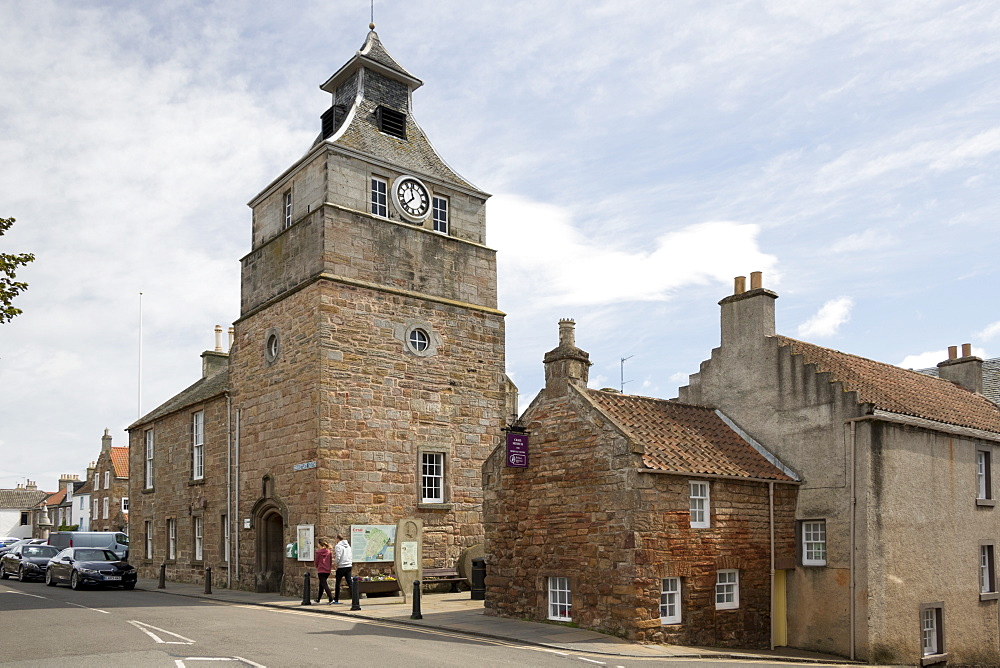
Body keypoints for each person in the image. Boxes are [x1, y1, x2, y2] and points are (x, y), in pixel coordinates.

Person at [333, 533, 353, 603]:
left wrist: (335, 563)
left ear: (337, 539)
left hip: (341, 566)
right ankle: (355, 597)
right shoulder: (348, 546)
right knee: (349, 582)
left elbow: (338, 556)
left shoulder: (338, 546)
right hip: (348, 565)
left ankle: (336, 599)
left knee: (338, 583)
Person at [313, 538, 333, 604]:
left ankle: (331, 598)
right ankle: (318, 599)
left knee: (324, 585)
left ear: (320, 544)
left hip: (321, 570)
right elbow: (330, 561)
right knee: (321, 584)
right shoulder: (329, 552)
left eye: (318, 544)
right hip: (327, 570)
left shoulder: (318, 552)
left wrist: (316, 566)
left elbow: (316, 561)